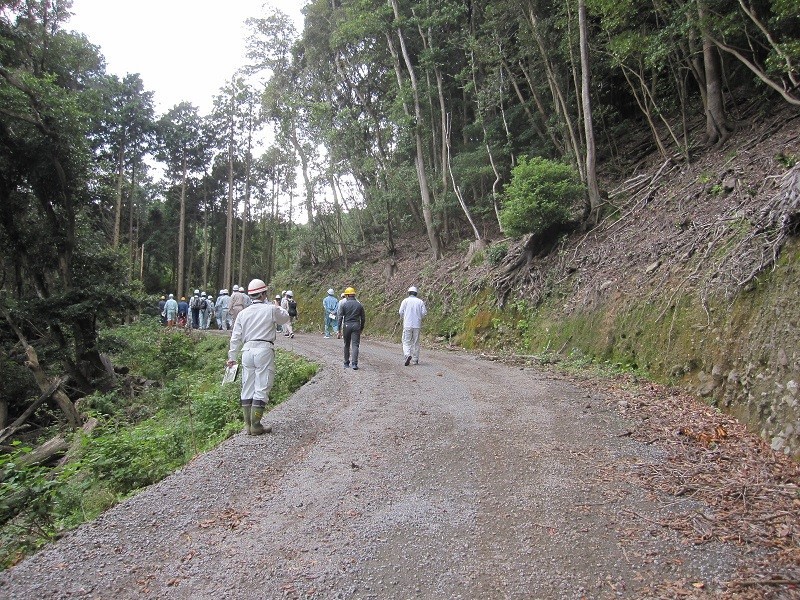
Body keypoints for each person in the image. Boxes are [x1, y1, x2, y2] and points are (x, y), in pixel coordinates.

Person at [226, 279, 290, 436]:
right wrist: (276, 305)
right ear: (263, 294)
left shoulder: (242, 314)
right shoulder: (270, 309)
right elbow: (285, 318)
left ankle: (248, 426)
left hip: (246, 350)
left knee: (247, 386)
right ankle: (256, 425)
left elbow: (235, 337)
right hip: (264, 349)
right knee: (262, 386)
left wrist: (232, 356)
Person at [337, 287, 365, 370]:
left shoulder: (344, 305)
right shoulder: (359, 305)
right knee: (355, 345)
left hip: (347, 325)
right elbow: (363, 318)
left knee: (346, 344)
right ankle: (354, 364)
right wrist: (361, 328)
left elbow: (340, 317)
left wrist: (339, 330)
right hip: (356, 325)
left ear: (347, 295)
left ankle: (346, 363)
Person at [399, 285, 427, 366]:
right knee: (416, 342)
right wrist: (419, 317)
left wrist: (403, 317)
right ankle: (415, 359)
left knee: (406, 342)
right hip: (417, 325)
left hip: (407, 324)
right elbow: (424, 312)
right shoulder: (420, 302)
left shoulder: (405, 301)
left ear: (408, 293)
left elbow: (400, 311)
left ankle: (407, 355)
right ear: (416, 293)